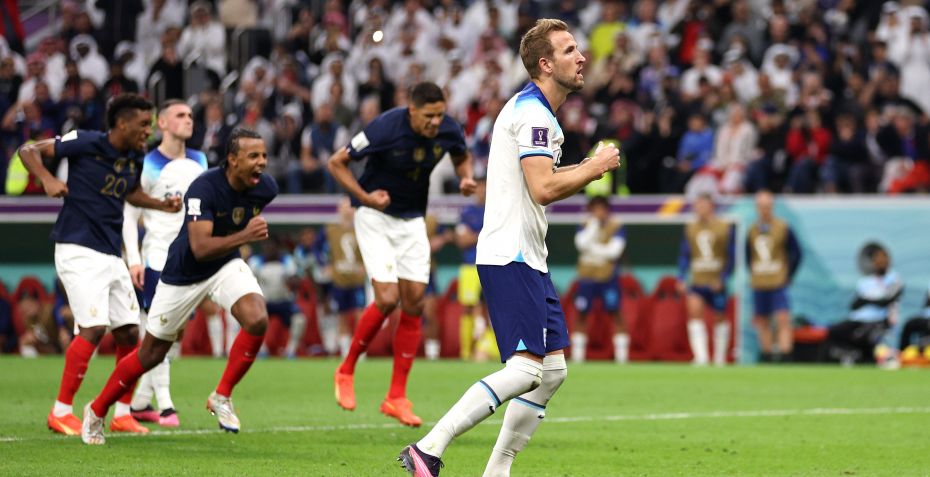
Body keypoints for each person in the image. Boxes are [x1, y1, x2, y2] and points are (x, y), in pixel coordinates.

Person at [399, 19, 621, 476]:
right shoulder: (533, 113)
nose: (582, 57)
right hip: (511, 254)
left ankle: (495, 472)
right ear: (545, 64)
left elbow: (542, 181)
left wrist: (583, 165)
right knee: (525, 370)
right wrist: (595, 167)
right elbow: (543, 188)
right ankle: (428, 448)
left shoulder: (535, 112)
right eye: (569, 50)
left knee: (552, 371)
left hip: (527, 257)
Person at [79, 128, 278, 445]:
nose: (262, 162)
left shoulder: (266, 188)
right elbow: (200, 248)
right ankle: (97, 409)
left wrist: (240, 237)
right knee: (151, 353)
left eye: (264, 155)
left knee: (257, 319)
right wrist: (245, 236)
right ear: (232, 159)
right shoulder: (202, 188)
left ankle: (222, 396)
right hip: (184, 273)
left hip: (224, 264)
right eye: (253, 156)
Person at [17, 93, 180, 436]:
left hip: (109, 251)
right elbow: (28, 150)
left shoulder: (134, 156)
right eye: (143, 124)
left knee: (130, 332)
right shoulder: (85, 140)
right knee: (93, 328)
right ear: (122, 123)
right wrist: (47, 178)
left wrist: (160, 205)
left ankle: (122, 413)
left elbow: (130, 192)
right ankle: (61, 411)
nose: (148, 131)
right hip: (77, 247)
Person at [328, 82, 476, 427]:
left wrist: (465, 177)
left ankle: (396, 397)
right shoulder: (385, 128)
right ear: (412, 111)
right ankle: (346, 369)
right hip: (375, 215)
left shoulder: (449, 129)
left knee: (415, 303)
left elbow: (460, 155)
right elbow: (337, 163)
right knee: (387, 298)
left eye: (439, 115)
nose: (435, 122)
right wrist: (364, 197)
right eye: (428, 116)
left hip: (412, 222)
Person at [122, 99, 210, 428]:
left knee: (173, 333)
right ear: (162, 123)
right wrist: (134, 259)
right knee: (157, 328)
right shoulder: (147, 164)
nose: (189, 120)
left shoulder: (200, 160)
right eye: (180, 115)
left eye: (191, 115)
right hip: (157, 254)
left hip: (190, 256)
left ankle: (139, 402)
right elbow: (129, 214)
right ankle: (166, 405)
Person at [677, 193, 735, 366]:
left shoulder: (724, 227)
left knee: (720, 317)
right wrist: (681, 277)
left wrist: (723, 278)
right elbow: (684, 255)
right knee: (694, 313)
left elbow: (731, 256)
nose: (699, 208)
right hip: (698, 279)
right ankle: (701, 357)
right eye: (697, 205)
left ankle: (719, 358)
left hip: (716, 281)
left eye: (702, 205)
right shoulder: (691, 228)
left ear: (711, 206)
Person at [572, 195, 628, 364]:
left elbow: (614, 252)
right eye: (595, 209)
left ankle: (622, 358)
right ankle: (578, 357)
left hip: (607, 277)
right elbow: (581, 244)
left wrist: (592, 249)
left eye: (602, 209)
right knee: (581, 314)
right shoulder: (585, 225)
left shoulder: (616, 226)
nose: (599, 213)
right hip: (587, 278)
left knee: (616, 313)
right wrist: (593, 226)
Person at [747, 191, 802, 363]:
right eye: (761, 207)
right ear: (757, 208)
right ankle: (767, 354)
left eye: (767, 207)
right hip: (760, 281)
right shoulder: (752, 230)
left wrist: (789, 274)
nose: (764, 210)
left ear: (772, 207)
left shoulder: (783, 227)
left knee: (782, 318)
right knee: (762, 320)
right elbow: (749, 256)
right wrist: (754, 273)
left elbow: (796, 253)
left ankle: (786, 354)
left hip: (778, 281)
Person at [828, 242, 903, 366]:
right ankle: (847, 355)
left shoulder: (895, 279)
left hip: (879, 320)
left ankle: (869, 357)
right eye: (877, 259)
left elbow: (886, 301)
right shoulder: (866, 281)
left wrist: (866, 300)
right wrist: (871, 301)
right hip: (859, 319)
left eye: (883, 258)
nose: (880, 262)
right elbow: (854, 305)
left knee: (865, 335)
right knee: (835, 330)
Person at [315, 198, 367, 357]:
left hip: (357, 280)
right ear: (338, 210)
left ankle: (360, 351)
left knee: (360, 315)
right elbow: (317, 248)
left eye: (350, 207)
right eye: (344, 207)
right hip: (339, 280)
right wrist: (325, 264)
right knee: (342, 316)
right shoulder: (330, 229)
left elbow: (374, 248)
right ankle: (345, 351)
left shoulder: (362, 228)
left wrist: (367, 265)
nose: (347, 210)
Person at [454, 178, 496, 361]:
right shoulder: (467, 212)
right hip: (470, 266)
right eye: (479, 187)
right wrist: (487, 235)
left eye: (485, 187)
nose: (482, 191)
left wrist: (474, 236)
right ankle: (466, 352)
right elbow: (462, 240)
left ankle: (486, 346)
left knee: (491, 306)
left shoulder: (496, 209)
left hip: (493, 264)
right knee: (468, 307)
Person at [248, 236, 306, 358]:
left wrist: (293, 281)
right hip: (264, 302)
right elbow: (248, 283)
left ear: (278, 247)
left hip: (284, 302)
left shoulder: (287, 261)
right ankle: (261, 350)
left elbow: (295, 281)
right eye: (266, 245)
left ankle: (290, 351)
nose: (269, 248)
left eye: (272, 245)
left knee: (299, 320)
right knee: (249, 320)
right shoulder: (255, 262)